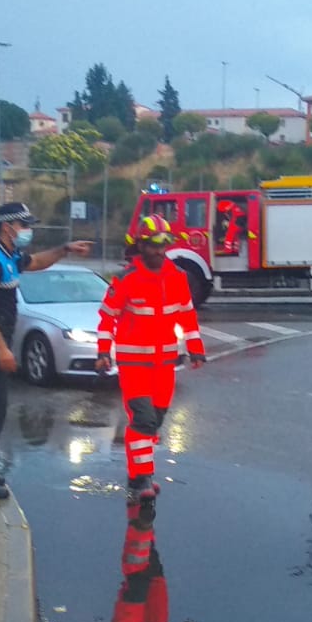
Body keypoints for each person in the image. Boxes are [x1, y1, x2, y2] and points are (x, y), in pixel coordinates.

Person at [0, 202, 93, 499]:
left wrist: (65, 249)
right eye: (24, 225)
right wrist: (0, 348)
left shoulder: (9, 256)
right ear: (8, 227)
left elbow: (36, 262)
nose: (28, 231)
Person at [95, 214, 205, 503]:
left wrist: (195, 347)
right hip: (134, 366)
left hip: (164, 365)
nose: (159, 250)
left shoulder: (177, 277)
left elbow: (187, 315)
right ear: (142, 245)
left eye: (164, 244)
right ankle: (140, 479)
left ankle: (140, 474)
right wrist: (103, 352)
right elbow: (107, 318)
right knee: (142, 420)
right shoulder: (126, 279)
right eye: (154, 245)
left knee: (155, 421)